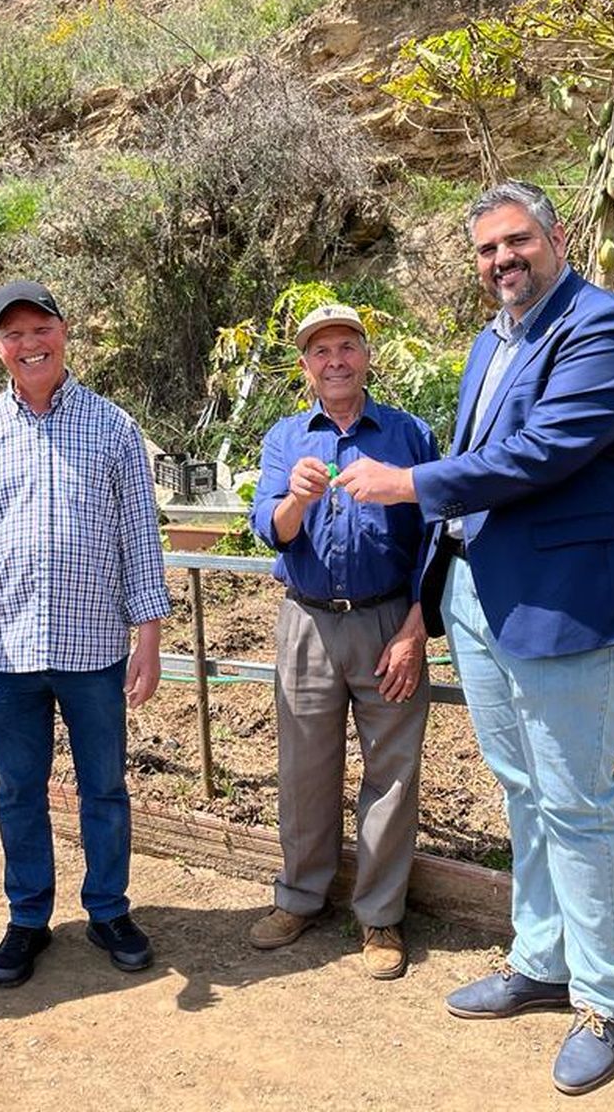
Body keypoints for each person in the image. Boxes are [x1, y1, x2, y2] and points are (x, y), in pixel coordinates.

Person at [333, 180, 614, 1094]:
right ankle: (542, 960)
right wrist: (429, 598)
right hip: (486, 602)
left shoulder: (604, 327)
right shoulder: (493, 341)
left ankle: (604, 999)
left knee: (576, 800)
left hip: (572, 603)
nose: (502, 262)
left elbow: (546, 452)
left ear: (556, 237)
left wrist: (409, 484)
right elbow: (481, 476)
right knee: (523, 790)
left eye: (516, 242)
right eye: (487, 250)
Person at [0, 278, 172, 988]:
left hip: (95, 647)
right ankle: (28, 917)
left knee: (104, 788)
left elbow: (139, 539)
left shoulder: (113, 427)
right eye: (14, 334)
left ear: (65, 333)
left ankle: (108, 909)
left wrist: (149, 637)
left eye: (41, 330)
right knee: (16, 791)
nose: (30, 345)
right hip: (5, 648)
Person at [245, 304, 438, 981]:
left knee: (392, 773)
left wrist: (417, 629)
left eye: (347, 347)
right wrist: (294, 500)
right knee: (303, 770)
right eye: (320, 350)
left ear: (365, 355)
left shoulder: (409, 434)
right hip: (307, 622)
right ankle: (300, 896)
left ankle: (380, 917)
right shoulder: (286, 438)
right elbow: (269, 529)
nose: (335, 360)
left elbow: (438, 539)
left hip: (389, 622)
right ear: (305, 366)